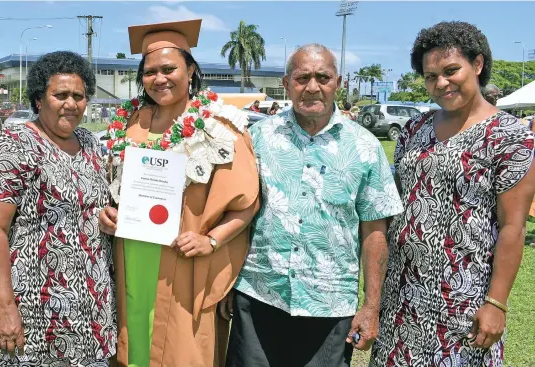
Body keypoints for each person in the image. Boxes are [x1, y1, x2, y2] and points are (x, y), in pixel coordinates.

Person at [225, 43, 403, 367]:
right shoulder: (258, 137)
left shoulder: (365, 147)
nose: (312, 87)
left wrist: (371, 306)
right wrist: (224, 285)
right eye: (302, 77)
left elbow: (375, 231)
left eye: (323, 77)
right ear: (286, 84)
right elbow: (239, 212)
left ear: (338, 83)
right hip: (259, 297)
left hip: (330, 306)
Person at [372, 22, 535, 367]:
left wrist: (496, 303)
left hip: (464, 301)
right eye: (431, 76)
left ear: (477, 65)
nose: (440, 83)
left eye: (450, 71)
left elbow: (513, 228)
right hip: (401, 300)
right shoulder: (415, 128)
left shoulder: (509, 136)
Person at [99, 19, 260, 367]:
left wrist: (212, 241)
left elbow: (246, 205)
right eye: (149, 71)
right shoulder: (130, 124)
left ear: (190, 71)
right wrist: (107, 213)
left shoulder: (219, 128)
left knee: (182, 353)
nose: (159, 79)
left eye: (169, 68)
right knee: (133, 343)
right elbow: (110, 189)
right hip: (132, 257)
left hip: (187, 265)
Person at [0, 51, 116, 366]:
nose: (71, 103)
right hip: (35, 316)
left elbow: (90, 207)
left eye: (79, 96)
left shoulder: (90, 143)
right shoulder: (14, 144)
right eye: (60, 95)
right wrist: (4, 308)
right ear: (39, 99)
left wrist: (106, 218)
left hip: (92, 313)